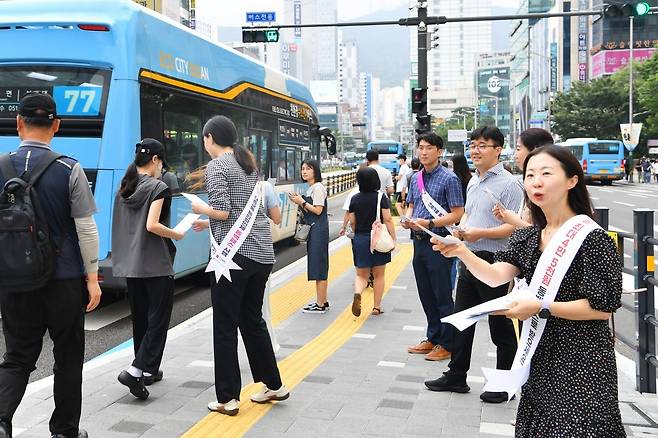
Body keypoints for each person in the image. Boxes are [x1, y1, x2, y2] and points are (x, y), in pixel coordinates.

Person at [432, 144, 624, 436]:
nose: (536, 181)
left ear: (572, 180)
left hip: (583, 360)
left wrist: (541, 308)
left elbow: (602, 308)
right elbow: (496, 276)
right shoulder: (529, 236)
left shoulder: (593, 239)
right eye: (530, 174)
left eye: (546, 173)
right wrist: (461, 252)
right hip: (540, 355)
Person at [0, 93, 101, 438]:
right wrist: (92, 279)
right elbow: (86, 228)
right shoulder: (69, 168)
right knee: (68, 357)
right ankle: (64, 430)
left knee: (17, 357)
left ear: (18, 124)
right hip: (65, 280)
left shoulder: (0, 167)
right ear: (56, 126)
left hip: (14, 281)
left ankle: (1, 421)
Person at [189, 115, 287, 416]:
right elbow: (244, 210)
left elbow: (222, 209)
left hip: (233, 259)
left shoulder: (218, 166)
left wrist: (200, 208)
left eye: (203, 139)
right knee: (252, 320)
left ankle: (228, 398)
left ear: (209, 138)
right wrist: (210, 223)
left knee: (225, 326)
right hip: (261, 254)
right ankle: (274, 384)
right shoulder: (248, 164)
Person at [424, 126, 523, 404]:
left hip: (496, 264)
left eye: (482, 145)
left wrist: (479, 233)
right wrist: (460, 233)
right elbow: (468, 215)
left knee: (500, 327)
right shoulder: (474, 181)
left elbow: (513, 228)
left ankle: (504, 383)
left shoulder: (509, 184)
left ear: (498, 150)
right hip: (470, 259)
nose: (475, 151)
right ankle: (456, 375)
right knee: (461, 320)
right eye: (473, 145)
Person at [111, 139, 185, 400]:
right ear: (155, 160)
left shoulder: (125, 187)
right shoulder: (158, 187)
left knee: (141, 319)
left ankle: (144, 372)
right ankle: (136, 370)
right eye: (161, 162)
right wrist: (176, 233)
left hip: (131, 265)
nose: (161, 167)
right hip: (155, 264)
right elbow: (152, 225)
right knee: (158, 320)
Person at [401, 132, 464, 361]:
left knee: (442, 295)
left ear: (439, 151)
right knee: (426, 294)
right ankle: (433, 337)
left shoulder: (449, 178)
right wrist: (407, 218)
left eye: (429, 148)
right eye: (421, 147)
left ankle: (447, 344)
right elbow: (411, 205)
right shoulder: (415, 178)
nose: (424, 152)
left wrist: (429, 223)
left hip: (439, 243)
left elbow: (457, 214)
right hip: (418, 244)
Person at [348, 167, 396, 316]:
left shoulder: (354, 198)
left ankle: (357, 293)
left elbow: (352, 222)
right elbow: (387, 219)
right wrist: (393, 237)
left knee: (361, 275)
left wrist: (357, 236)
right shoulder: (381, 197)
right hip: (378, 239)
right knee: (379, 275)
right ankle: (376, 307)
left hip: (361, 239)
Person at [290, 160, 330, 314]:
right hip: (315, 230)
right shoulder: (312, 188)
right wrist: (299, 201)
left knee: (319, 266)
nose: (304, 171)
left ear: (315, 171)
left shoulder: (318, 188)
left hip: (318, 231)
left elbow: (318, 210)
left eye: (308, 169)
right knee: (317, 264)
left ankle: (320, 304)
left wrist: (302, 202)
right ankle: (322, 301)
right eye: (302, 169)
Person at [493, 128, 553, 229]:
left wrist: (515, 221)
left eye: (518, 149)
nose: (515, 155)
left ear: (534, 150)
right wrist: (508, 217)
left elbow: (547, 235)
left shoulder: (547, 187)